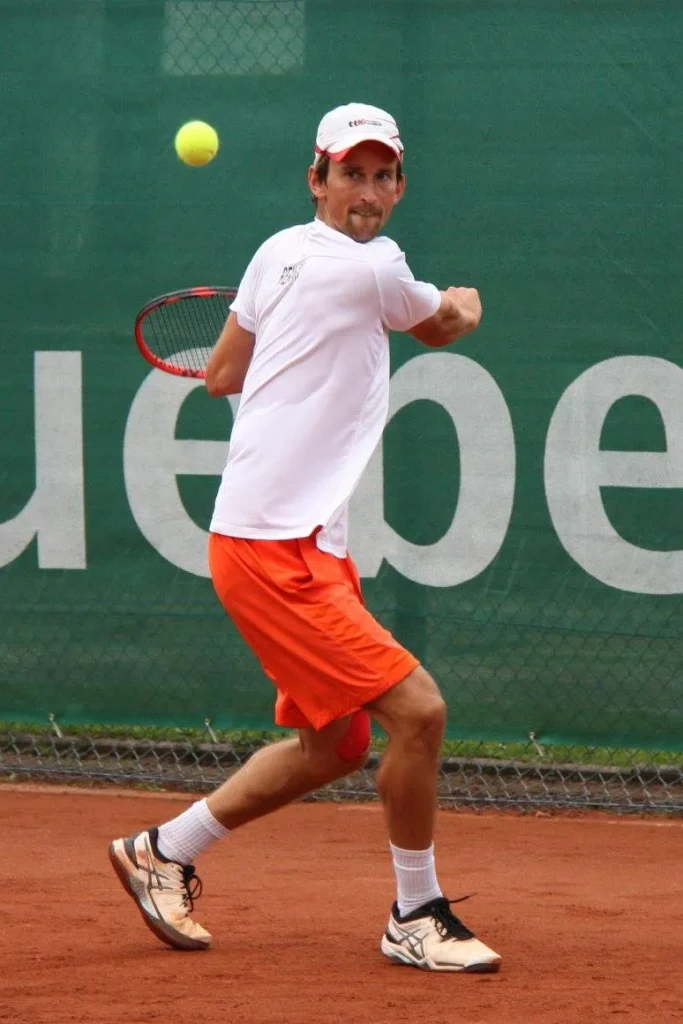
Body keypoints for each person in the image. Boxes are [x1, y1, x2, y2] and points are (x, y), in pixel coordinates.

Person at [109, 102, 500, 973]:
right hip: (271, 548)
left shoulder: (274, 254)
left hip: (297, 542)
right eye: (350, 174)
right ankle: (415, 913)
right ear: (316, 179)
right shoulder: (376, 266)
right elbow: (438, 325)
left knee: (339, 746)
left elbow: (220, 374)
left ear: (398, 185)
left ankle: (162, 851)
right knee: (420, 713)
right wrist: (466, 303)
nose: (367, 193)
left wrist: (300, 359)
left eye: (381, 176)